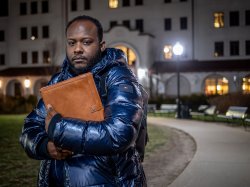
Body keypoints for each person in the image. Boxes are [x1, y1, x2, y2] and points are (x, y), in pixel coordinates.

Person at [20, 15, 147, 187]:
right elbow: (30, 128)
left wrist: (59, 128)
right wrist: (45, 146)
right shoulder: (58, 81)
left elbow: (119, 134)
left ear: (101, 46)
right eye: (72, 43)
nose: (77, 49)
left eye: (86, 42)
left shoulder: (119, 77)